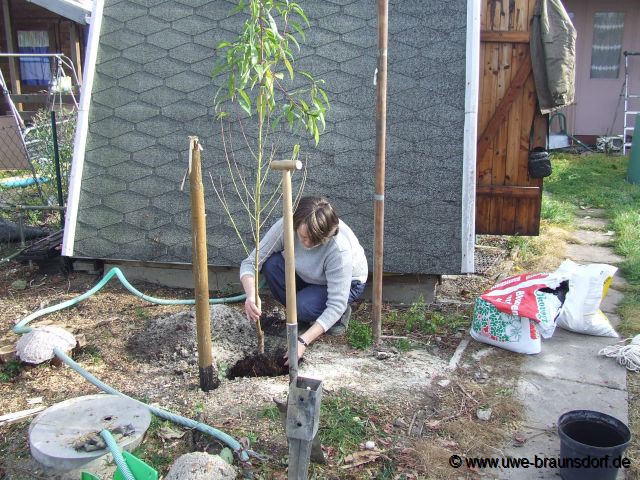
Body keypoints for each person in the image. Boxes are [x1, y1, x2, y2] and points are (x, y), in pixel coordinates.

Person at [240, 196, 368, 361]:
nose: (306, 244)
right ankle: (303, 313)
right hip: (307, 274)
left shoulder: (339, 249)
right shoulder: (286, 227)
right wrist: (251, 294)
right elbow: (250, 263)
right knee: (272, 265)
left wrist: (302, 341)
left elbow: (336, 304)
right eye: (303, 237)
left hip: (346, 283)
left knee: (303, 305)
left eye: (314, 240)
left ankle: (337, 315)